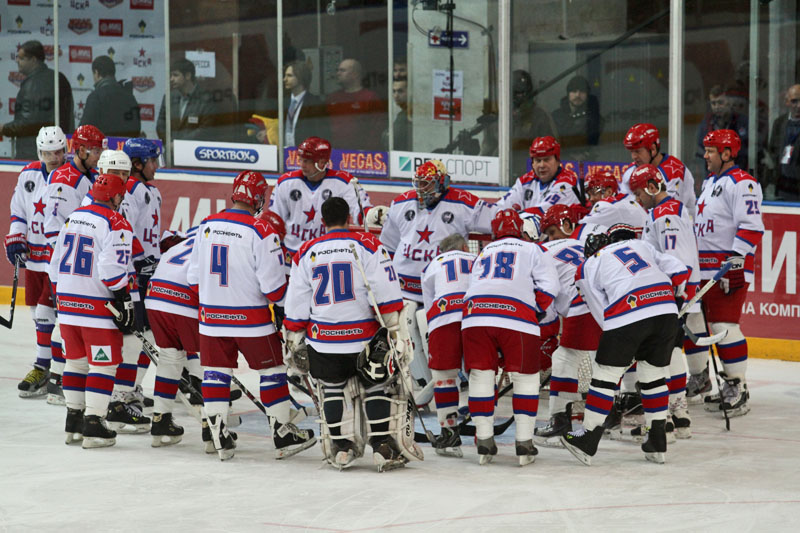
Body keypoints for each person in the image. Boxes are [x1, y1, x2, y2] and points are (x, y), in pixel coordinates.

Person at [187, 170, 315, 461]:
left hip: (211, 318)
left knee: (215, 373)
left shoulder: (206, 225)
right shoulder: (262, 230)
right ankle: (282, 434)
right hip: (252, 320)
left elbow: (193, 279)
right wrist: (286, 307)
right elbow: (274, 289)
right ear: (258, 198)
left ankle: (219, 436)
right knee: (272, 371)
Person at [284, 196, 420, 471]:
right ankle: (381, 447)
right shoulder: (368, 244)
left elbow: (297, 302)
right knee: (377, 386)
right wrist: (395, 332)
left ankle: (342, 448)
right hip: (364, 340)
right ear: (349, 218)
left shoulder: (306, 251)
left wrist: (294, 334)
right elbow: (385, 293)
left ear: (322, 221)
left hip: (323, 341)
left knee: (332, 388)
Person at [564, 224, 690, 465]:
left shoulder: (589, 264)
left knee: (605, 375)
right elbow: (679, 270)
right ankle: (657, 440)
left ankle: (588, 437)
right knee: (653, 376)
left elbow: (600, 309)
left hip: (628, 311)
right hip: (665, 311)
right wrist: (675, 297)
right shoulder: (641, 245)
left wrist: (619, 343)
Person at [379, 160, 496, 406]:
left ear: (442, 182)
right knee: (407, 337)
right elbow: (387, 247)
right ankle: (422, 386)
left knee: (443, 338)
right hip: (406, 289)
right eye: (419, 183)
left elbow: (496, 220)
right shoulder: (401, 203)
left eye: (427, 184)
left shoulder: (463, 202)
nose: (422, 189)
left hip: (444, 289)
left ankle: (462, 385)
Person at [461, 209, 560, 465]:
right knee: (526, 378)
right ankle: (524, 443)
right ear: (521, 229)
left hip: (475, 316)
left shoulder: (484, 251)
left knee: (481, 375)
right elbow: (551, 286)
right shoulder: (533, 249)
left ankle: (484, 440)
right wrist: (534, 311)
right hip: (516, 317)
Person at [48, 173, 136, 449]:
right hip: (96, 304)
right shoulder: (116, 222)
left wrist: (62, 297)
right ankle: (94, 424)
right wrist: (122, 296)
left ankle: (73, 421)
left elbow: (54, 264)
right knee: (103, 365)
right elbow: (111, 269)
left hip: (67, 304)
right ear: (115, 196)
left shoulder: (74, 217)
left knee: (75, 363)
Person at [686, 129, 763, 416]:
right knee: (693, 321)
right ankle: (700, 379)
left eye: (711, 151)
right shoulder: (710, 182)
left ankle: (737, 386)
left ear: (727, 153)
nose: (705, 156)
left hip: (726, 269)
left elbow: (752, 226)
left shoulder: (743, 183)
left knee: (723, 326)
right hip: (702, 270)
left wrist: (736, 261)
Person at [628, 164, 700, 439]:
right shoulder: (668, 210)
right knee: (672, 350)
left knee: (658, 353)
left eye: (639, 193)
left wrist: (675, 293)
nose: (638, 199)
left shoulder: (665, 214)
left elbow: (675, 261)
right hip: (676, 293)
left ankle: (665, 417)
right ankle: (679, 414)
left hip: (671, 294)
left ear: (651, 187)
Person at [6, 126, 67, 401]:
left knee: (49, 313)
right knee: (37, 312)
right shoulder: (28, 174)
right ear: (39, 152)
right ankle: (49, 366)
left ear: (65, 150)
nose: (53, 157)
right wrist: (16, 238)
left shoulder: (72, 177)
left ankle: (48, 367)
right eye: (47, 152)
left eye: (58, 151)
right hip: (34, 256)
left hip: (59, 257)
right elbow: (18, 211)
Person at [533, 205, 603, 445]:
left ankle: (560, 421)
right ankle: (619, 414)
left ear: (566, 225)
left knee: (563, 358)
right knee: (605, 364)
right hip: (607, 305)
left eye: (552, 232)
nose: (550, 238)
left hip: (580, 305)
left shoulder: (541, 252)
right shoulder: (583, 244)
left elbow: (544, 296)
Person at [420, 234, 476, 457]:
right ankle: (485, 432)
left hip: (443, 316)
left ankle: (449, 432)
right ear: (465, 247)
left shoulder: (433, 264)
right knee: (483, 373)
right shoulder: (478, 259)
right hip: (477, 316)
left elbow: (428, 305)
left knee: (443, 377)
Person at [144, 229, 199, 447]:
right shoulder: (220, 244)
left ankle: (161, 420)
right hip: (183, 300)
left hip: (155, 297)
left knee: (170, 357)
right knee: (208, 358)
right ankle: (211, 427)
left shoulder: (186, 242)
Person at [269, 136, 368, 255]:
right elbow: (274, 220)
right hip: (292, 253)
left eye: (307, 161)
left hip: (327, 252)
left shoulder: (345, 182)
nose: (302, 165)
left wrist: (372, 215)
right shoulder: (285, 182)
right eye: (301, 160)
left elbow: (362, 214)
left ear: (322, 163)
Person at [0, 41, 74, 160]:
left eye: (21, 58)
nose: (17, 61)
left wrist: (4, 129)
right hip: (58, 151)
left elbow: (27, 123)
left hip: (33, 153)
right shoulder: (58, 78)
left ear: (34, 60)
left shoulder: (33, 85)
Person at [482, 70, 558, 177]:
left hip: (530, 176)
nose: (521, 97)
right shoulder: (498, 117)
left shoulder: (540, 116)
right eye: (517, 93)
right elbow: (487, 150)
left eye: (524, 93)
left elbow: (551, 151)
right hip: (500, 175)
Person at [42, 125, 106, 252]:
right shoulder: (62, 179)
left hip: (88, 248)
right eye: (96, 152)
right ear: (82, 151)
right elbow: (54, 228)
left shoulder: (95, 175)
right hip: (70, 254)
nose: (100, 157)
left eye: (101, 152)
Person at [620, 123, 696, 214]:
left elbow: (669, 211)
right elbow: (624, 205)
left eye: (637, 151)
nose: (633, 156)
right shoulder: (631, 171)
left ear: (653, 149)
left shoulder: (675, 171)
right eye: (631, 152)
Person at [497, 136, 581, 215]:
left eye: (547, 160)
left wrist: (513, 217)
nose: (542, 165)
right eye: (538, 160)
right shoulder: (524, 181)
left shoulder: (568, 183)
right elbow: (502, 206)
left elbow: (544, 212)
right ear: (532, 163)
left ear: (558, 161)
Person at [156, 58, 230, 144]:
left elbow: (205, 130)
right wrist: (169, 143)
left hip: (194, 150)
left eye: (175, 75)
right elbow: (160, 124)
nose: (171, 79)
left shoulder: (206, 99)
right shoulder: (168, 97)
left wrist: (179, 144)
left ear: (188, 76)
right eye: (170, 75)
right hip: (171, 149)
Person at [325, 58, 384, 151]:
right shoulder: (332, 98)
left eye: (342, 70)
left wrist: (368, 151)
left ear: (355, 74)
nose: (338, 73)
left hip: (360, 154)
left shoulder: (370, 97)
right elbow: (324, 126)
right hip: (334, 153)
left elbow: (377, 128)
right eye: (338, 70)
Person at [80, 56, 141, 138]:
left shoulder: (96, 97)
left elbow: (83, 132)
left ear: (96, 72)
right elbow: (137, 128)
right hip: (126, 145)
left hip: (104, 145)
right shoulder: (130, 96)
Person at [695, 85, 749, 174]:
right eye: (713, 103)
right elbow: (701, 152)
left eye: (720, 103)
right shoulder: (707, 125)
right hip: (713, 174)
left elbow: (747, 150)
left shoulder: (742, 122)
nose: (717, 107)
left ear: (730, 103)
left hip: (738, 172)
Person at [551, 75, 602, 159]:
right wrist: (569, 155)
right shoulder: (556, 116)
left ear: (587, 94)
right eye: (574, 91)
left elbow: (596, 147)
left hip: (586, 163)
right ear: (568, 93)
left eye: (582, 91)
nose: (578, 95)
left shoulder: (594, 118)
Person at [579, 170, 648, 233]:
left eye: (594, 193)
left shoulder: (609, 206)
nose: (591, 199)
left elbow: (581, 229)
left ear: (609, 192)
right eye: (589, 195)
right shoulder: (625, 199)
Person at [281, 61, 329, 147]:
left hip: (305, 152)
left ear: (301, 78)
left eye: (289, 76)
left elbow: (321, 133)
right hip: (284, 151)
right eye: (285, 75)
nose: (284, 79)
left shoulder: (315, 103)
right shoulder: (283, 102)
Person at [765, 84, 800, 201]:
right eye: (794, 101)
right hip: (782, 186)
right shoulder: (779, 123)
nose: (799, 106)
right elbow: (772, 152)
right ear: (787, 102)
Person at [383, 78, 412, 151]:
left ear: (410, 92)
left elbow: (390, 140)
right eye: (394, 91)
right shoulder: (402, 113)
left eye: (400, 91)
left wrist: (386, 134)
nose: (396, 95)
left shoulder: (406, 115)